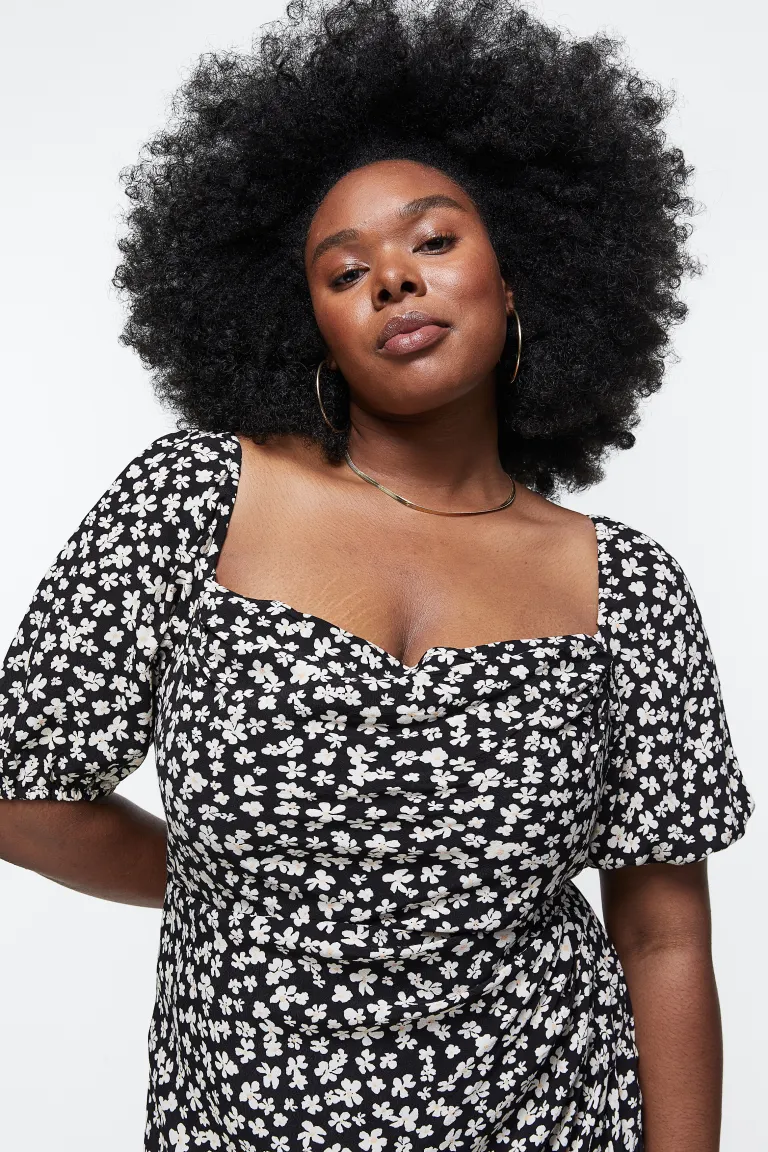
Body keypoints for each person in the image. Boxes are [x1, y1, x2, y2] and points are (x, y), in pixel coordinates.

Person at [0, 0, 754, 1149]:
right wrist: (236, 888)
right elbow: (22, 790)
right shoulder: (197, 502)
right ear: (309, 323)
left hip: (557, 1115)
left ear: (521, 276)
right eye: (345, 271)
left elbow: (662, 937)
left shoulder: (629, 589)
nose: (392, 280)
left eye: (434, 242)